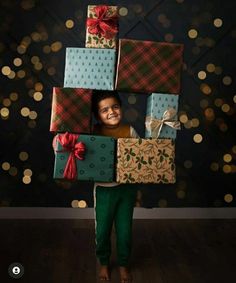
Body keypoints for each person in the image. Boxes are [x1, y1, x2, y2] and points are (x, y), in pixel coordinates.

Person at [92, 90, 139, 283]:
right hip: (103, 190)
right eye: (104, 110)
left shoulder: (130, 131)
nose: (111, 112)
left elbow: (141, 159)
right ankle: (104, 263)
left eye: (115, 106)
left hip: (126, 189)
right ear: (97, 115)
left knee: (125, 231)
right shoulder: (93, 131)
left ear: (121, 108)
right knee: (102, 231)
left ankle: (123, 264)